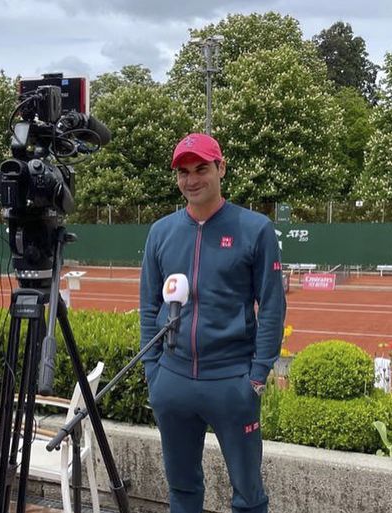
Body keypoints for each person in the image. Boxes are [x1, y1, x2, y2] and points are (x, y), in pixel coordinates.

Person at [139, 133, 286, 513]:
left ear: (221, 168)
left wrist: (256, 375)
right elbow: (148, 306)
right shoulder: (161, 232)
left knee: (249, 496)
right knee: (183, 491)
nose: (191, 179)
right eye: (183, 172)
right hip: (171, 381)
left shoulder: (255, 229)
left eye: (201, 168)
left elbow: (271, 305)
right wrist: (153, 372)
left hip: (232, 382)